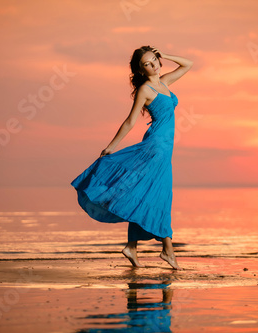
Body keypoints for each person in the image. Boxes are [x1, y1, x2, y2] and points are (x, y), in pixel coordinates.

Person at [71, 46, 193, 270]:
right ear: (140, 69)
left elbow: (188, 64)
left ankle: (132, 247)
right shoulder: (146, 89)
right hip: (155, 149)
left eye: (154, 60)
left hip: (165, 150)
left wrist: (165, 54)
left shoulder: (164, 82)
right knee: (160, 197)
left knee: (144, 195)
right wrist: (111, 147)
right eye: (146, 63)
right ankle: (168, 251)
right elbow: (130, 121)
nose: (153, 65)